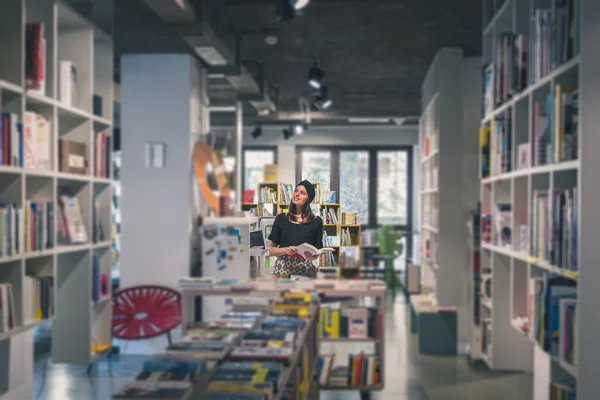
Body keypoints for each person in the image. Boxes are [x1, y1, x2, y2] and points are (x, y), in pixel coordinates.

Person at [268, 180, 323, 278]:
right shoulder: (281, 218)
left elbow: (317, 252)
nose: (297, 194)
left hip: (305, 269)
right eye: (296, 191)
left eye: (302, 193)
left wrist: (312, 257)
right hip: (283, 269)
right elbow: (271, 250)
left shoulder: (317, 221)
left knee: (305, 294)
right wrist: (286, 250)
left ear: (308, 199)